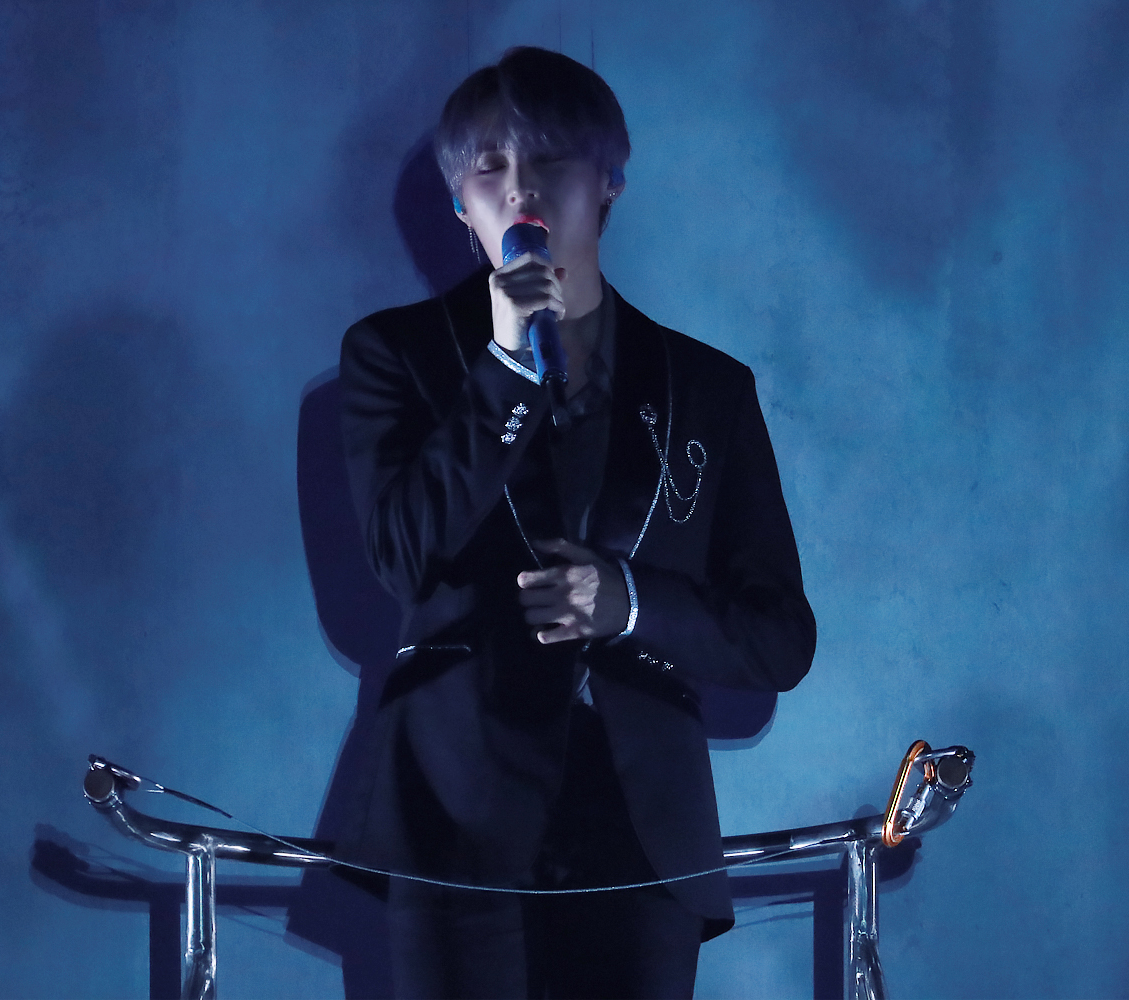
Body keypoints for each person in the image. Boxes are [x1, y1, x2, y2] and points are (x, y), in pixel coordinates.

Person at [337, 46, 817, 999]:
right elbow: (400, 555)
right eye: (490, 168)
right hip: (456, 812)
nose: (520, 188)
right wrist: (507, 367)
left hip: (643, 830)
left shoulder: (706, 387)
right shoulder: (396, 354)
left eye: (549, 157)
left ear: (609, 181)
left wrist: (629, 602)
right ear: (461, 206)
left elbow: (780, 639)